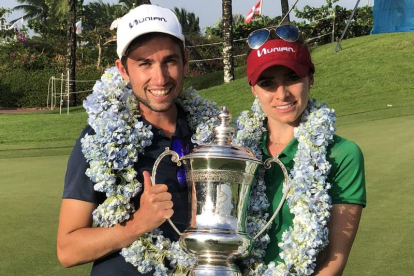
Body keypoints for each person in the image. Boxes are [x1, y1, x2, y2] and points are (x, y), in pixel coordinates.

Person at [57, 4, 203, 275]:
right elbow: (67, 250)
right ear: (123, 70)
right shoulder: (98, 139)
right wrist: (138, 223)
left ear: (185, 61)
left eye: (169, 61)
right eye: (144, 63)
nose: (159, 78)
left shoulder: (208, 133)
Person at [242, 25, 367, 275]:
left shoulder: (343, 154)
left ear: (309, 78)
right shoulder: (235, 151)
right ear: (254, 89)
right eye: (268, 83)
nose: (282, 94)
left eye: (292, 78)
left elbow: (334, 260)